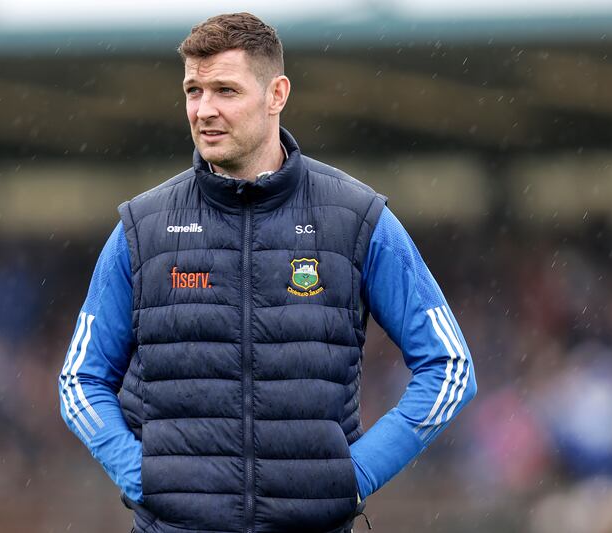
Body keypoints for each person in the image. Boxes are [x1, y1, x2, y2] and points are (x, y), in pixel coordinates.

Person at [59, 12, 477, 533]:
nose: (204, 110)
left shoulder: (356, 219)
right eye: (193, 90)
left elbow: (450, 367)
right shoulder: (141, 230)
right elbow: (80, 381)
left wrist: (357, 475)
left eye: (225, 90)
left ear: (277, 94)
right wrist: (142, 477)